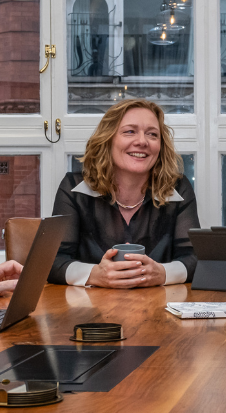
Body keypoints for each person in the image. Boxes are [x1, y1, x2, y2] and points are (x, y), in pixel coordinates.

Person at [50, 99, 200, 287]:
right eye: (130, 131)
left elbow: (194, 258)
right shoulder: (73, 188)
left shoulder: (178, 187)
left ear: (160, 146)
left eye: (152, 134)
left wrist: (163, 273)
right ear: (108, 139)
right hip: (87, 311)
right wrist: (94, 275)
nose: (142, 141)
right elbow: (52, 261)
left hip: (160, 307)